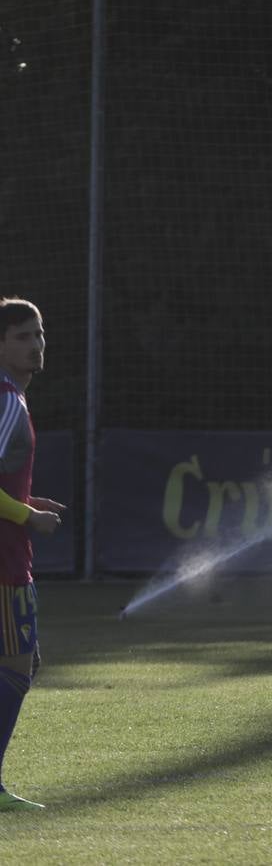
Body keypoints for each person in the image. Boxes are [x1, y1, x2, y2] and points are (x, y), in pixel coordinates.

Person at [0, 299, 64, 811]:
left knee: (24, 663)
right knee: (16, 667)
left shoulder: (11, 398)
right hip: (2, 561)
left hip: (9, 554)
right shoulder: (5, 399)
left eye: (39, 334)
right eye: (23, 336)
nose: (36, 344)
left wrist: (24, 503)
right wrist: (29, 518)